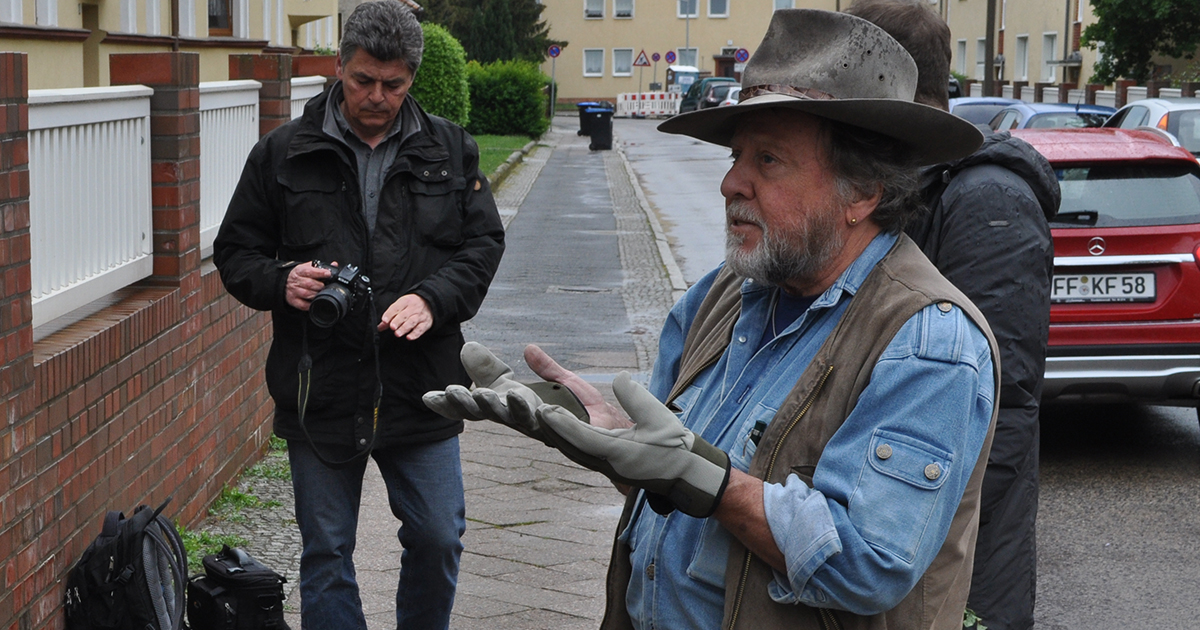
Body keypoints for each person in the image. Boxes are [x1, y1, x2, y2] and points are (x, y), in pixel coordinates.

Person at [427, 9, 1001, 629]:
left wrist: (703, 478)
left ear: (862, 192)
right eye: (736, 156)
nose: (731, 182)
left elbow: (867, 563)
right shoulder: (723, 295)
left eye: (770, 160)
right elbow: (667, 476)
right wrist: (613, 439)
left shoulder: (928, 340)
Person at [212, 1, 505, 627]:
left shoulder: (452, 150)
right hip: (320, 383)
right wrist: (280, 280)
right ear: (339, 66)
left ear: (411, 78)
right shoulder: (283, 153)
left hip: (422, 385)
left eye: (393, 84)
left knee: (437, 536)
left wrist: (432, 298)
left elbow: (481, 246)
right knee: (326, 553)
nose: (377, 95)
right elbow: (235, 252)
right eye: (362, 80)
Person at [843, 2, 1060, 627]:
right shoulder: (916, 177)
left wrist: (915, 528)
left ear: (887, 78)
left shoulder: (987, 198)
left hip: (962, 556)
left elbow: (1001, 398)